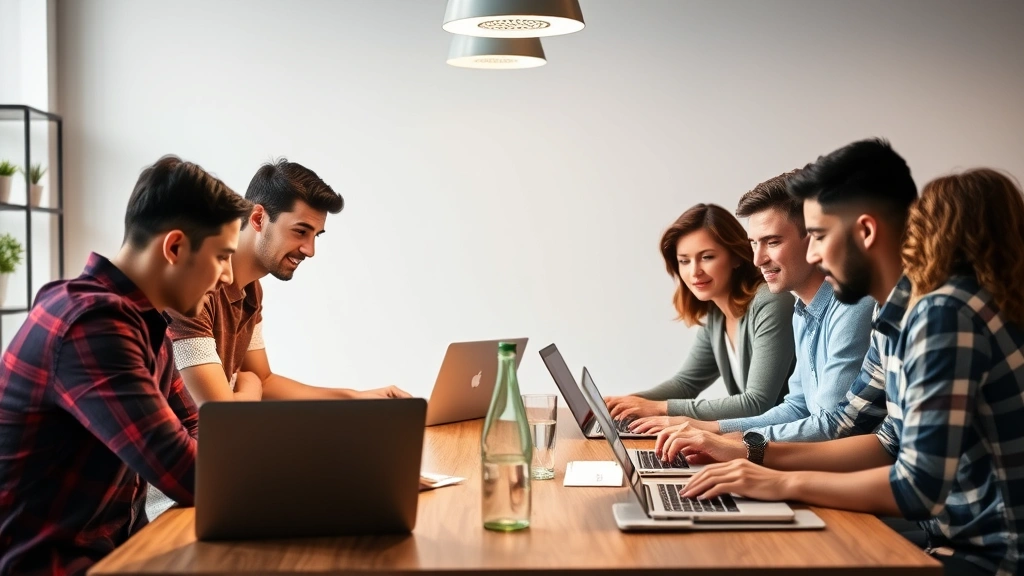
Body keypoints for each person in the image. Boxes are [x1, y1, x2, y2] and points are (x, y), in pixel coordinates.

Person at [671, 142, 1024, 575]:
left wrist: (776, 480)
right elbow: (880, 440)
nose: (814, 255)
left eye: (817, 237)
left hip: (995, 558)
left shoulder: (941, 314)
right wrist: (749, 452)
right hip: (948, 542)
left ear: (866, 232)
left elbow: (916, 488)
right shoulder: (892, 314)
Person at [0, 156, 251, 576]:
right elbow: (189, 474)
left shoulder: (145, 323)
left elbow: (202, 427)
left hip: (117, 552)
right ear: (174, 247)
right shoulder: (91, 325)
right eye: (223, 256)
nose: (227, 276)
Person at [630, 172, 874, 440]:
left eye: (772, 242)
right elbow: (797, 407)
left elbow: (830, 426)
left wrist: (736, 443)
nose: (757, 259)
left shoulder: (854, 306)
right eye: (754, 244)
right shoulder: (801, 314)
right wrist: (713, 429)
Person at [166, 159, 410, 404]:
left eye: (316, 235)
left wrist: (356, 396)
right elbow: (223, 413)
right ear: (259, 218)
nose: (310, 250)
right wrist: (251, 385)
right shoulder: (197, 286)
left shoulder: (251, 291)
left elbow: (264, 379)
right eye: (301, 231)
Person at [604, 203, 795, 423]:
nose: (694, 272)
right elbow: (685, 384)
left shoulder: (770, 302)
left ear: (736, 256)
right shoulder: (716, 315)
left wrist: (660, 409)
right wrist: (622, 404)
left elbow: (756, 403)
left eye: (707, 257)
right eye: (684, 261)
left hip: (787, 447)